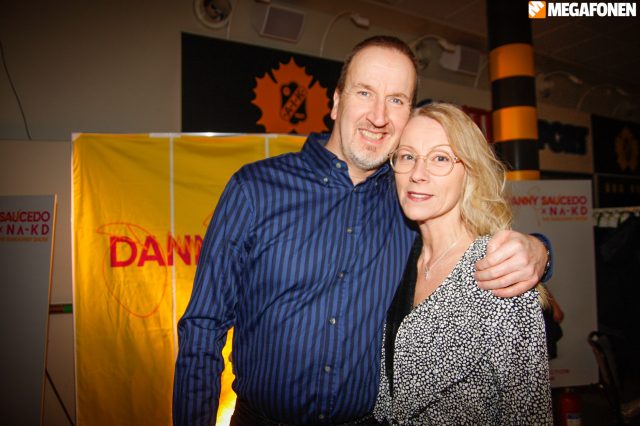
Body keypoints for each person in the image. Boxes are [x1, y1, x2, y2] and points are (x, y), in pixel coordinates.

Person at [173, 36, 551, 426]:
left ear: (408, 114)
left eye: (396, 100)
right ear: (337, 101)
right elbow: (203, 325)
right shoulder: (255, 189)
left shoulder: (410, 198)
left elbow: (466, 239)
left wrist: (538, 250)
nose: (379, 116)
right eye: (365, 92)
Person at [373, 103, 552, 425]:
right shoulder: (396, 255)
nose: (417, 173)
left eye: (440, 158)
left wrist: (541, 251)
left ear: (470, 170)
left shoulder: (501, 268)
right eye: (407, 156)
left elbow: (529, 413)